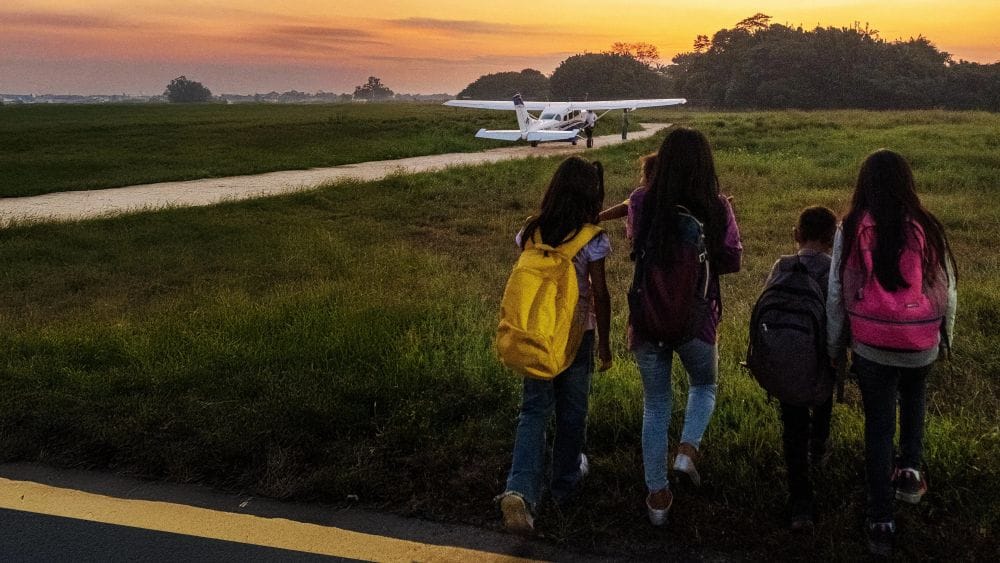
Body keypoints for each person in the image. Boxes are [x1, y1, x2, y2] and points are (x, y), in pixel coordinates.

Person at [827, 149, 957, 556]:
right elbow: (946, 291)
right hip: (921, 342)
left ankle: (880, 518)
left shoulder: (850, 226)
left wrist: (835, 348)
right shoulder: (926, 225)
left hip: (872, 344)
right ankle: (910, 471)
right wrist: (942, 338)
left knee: (878, 428)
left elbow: (836, 291)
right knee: (915, 399)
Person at [628, 128, 742, 525]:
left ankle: (657, 498)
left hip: (646, 319)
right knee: (704, 385)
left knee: (656, 403)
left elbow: (633, 242)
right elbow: (732, 260)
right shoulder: (716, 205)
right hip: (697, 319)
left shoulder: (643, 201)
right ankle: (687, 450)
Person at [497, 156, 613, 534]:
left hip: (535, 334)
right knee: (572, 411)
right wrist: (605, 343)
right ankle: (563, 485)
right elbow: (601, 294)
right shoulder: (592, 238)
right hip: (577, 336)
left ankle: (520, 490)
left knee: (533, 411)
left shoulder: (531, 231)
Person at [762, 206, 838, 532]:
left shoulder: (781, 265)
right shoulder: (833, 269)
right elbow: (837, 317)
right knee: (821, 405)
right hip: (821, 361)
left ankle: (801, 504)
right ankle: (818, 449)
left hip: (785, 362)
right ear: (833, 238)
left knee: (793, 428)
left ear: (796, 234)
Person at [598, 153, 657, 231]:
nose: (640, 180)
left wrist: (597, 217)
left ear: (650, 177)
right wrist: (598, 217)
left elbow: (628, 206)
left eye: (642, 175)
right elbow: (625, 207)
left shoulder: (640, 196)